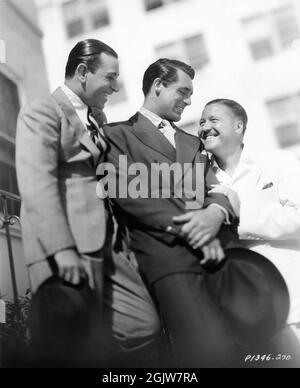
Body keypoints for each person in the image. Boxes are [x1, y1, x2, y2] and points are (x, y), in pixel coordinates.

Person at [98, 59, 289, 367]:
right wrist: (194, 229)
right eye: (183, 91)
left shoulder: (192, 142)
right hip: (169, 259)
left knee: (253, 351)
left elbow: (217, 189)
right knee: (207, 352)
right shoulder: (116, 135)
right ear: (158, 85)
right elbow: (126, 193)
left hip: (219, 259)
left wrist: (214, 213)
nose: (189, 102)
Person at [16, 39, 160, 367]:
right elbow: (35, 181)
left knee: (143, 326)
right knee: (72, 347)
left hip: (108, 246)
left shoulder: (97, 117)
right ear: (83, 72)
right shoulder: (42, 110)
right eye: (110, 77)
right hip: (67, 245)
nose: (116, 84)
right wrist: (60, 248)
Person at [199, 98, 300, 366]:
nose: (204, 127)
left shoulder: (278, 161)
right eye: (201, 122)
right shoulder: (199, 179)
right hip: (241, 312)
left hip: (292, 299)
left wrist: (241, 214)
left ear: (239, 125)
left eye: (213, 119)